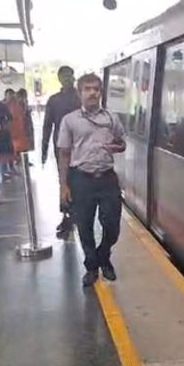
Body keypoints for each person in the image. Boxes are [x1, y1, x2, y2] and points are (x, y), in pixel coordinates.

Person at [58, 73, 126, 286]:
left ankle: (103, 255)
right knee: (84, 225)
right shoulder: (69, 120)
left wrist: (118, 147)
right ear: (80, 93)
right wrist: (64, 185)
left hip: (107, 178)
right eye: (87, 89)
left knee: (113, 226)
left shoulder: (112, 118)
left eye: (96, 89)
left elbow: (121, 143)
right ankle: (92, 266)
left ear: (101, 93)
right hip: (81, 179)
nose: (92, 93)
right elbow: (64, 153)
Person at [43, 65, 81, 237]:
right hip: (61, 147)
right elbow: (47, 125)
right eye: (64, 76)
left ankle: (78, 214)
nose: (67, 79)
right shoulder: (53, 100)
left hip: (82, 145)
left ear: (73, 77)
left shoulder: (81, 98)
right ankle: (67, 215)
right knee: (64, 180)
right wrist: (43, 149)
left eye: (69, 76)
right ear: (59, 79)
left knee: (81, 180)